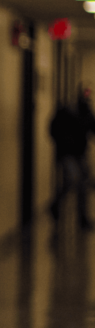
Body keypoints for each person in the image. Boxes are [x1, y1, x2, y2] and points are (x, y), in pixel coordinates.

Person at [48, 88, 95, 230]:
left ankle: (82, 218)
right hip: (67, 154)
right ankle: (56, 205)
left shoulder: (87, 113)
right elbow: (53, 130)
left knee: (81, 184)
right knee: (74, 180)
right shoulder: (65, 112)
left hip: (80, 153)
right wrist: (64, 142)